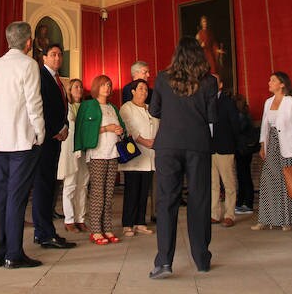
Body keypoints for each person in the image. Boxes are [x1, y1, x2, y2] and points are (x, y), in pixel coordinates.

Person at [148, 37, 217, 279]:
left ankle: (164, 262)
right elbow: (212, 117)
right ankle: (201, 259)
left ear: (177, 54)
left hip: (168, 145)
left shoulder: (162, 78)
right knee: (199, 200)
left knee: (166, 201)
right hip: (198, 144)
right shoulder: (209, 82)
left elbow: (154, 110)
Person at [0, 21, 45, 269]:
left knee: (0, 196)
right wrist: (40, 133)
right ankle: (14, 254)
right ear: (29, 42)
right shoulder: (29, 65)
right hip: (20, 140)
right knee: (16, 198)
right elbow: (33, 103)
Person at [31, 43, 77, 249]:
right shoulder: (41, 77)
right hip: (45, 140)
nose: (58, 58)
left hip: (56, 139)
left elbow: (62, 108)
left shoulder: (58, 79)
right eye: (53, 54)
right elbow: (40, 109)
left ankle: (44, 231)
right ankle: (44, 233)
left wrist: (65, 125)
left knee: (49, 186)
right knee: (43, 187)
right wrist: (55, 129)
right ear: (44, 58)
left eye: (59, 55)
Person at [74, 74, 125, 246]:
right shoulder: (88, 105)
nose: (107, 88)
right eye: (104, 85)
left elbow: (122, 127)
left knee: (109, 193)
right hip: (97, 154)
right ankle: (96, 230)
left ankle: (107, 228)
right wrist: (106, 128)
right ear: (97, 87)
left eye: (109, 85)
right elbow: (83, 129)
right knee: (97, 192)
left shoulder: (112, 107)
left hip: (113, 154)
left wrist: (119, 130)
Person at [253, 71, 292, 231]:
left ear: (282, 84)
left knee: (286, 181)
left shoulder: (291, 102)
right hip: (272, 144)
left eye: (273, 80)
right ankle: (265, 218)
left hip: (287, 145)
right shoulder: (268, 102)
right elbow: (264, 125)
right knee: (268, 180)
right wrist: (263, 145)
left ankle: (286, 220)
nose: (269, 82)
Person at [119, 78, 158, 237]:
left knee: (144, 192)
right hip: (135, 156)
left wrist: (155, 141)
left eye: (146, 89)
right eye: (140, 88)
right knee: (132, 191)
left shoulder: (151, 109)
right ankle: (127, 223)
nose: (144, 92)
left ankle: (140, 222)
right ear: (133, 91)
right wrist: (144, 141)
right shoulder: (127, 107)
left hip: (149, 156)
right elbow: (129, 128)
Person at [58, 78, 89, 233]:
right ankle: (69, 219)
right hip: (70, 149)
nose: (79, 89)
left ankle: (80, 218)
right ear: (69, 90)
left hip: (84, 149)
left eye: (81, 87)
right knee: (70, 185)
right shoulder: (66, 107)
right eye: (76, 87)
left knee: (82, 185)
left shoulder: (86, 107)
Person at [210, 74, 241, 227]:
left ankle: (229, 215)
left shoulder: (227, 102)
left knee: (228, 183)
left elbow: (235, 124)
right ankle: (214, 214)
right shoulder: (203, 101)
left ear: (220, 84)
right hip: (208, 148)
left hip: (225, 147)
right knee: (212, 183)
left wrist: (232, 143)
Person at [233, 96, 258, 214]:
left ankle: (247, 203)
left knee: (244, 176)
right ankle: (242, 201)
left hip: (242, 149)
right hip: (246, 149)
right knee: (243, 175)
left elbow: (237, 131)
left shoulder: (240, 117)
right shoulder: (245, 114)